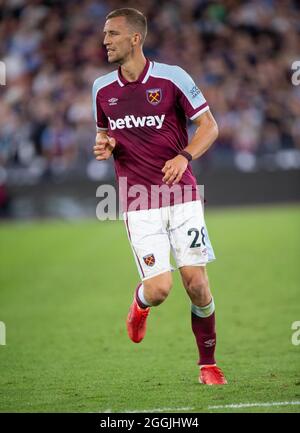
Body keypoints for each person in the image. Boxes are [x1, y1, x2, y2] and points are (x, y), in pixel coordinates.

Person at [93, 8, 227, 385]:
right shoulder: (101, 89)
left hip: (182, 196)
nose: (105, 40)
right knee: (160, 288)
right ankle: (140, 304)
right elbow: (104, 135)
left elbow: (210, 127)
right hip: (139, 200)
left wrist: (183, 156)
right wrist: (105, 145)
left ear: (135, 38)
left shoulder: (172, 79)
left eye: (113, 34)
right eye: (105, 34)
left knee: (197, 284)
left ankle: (208, 364)